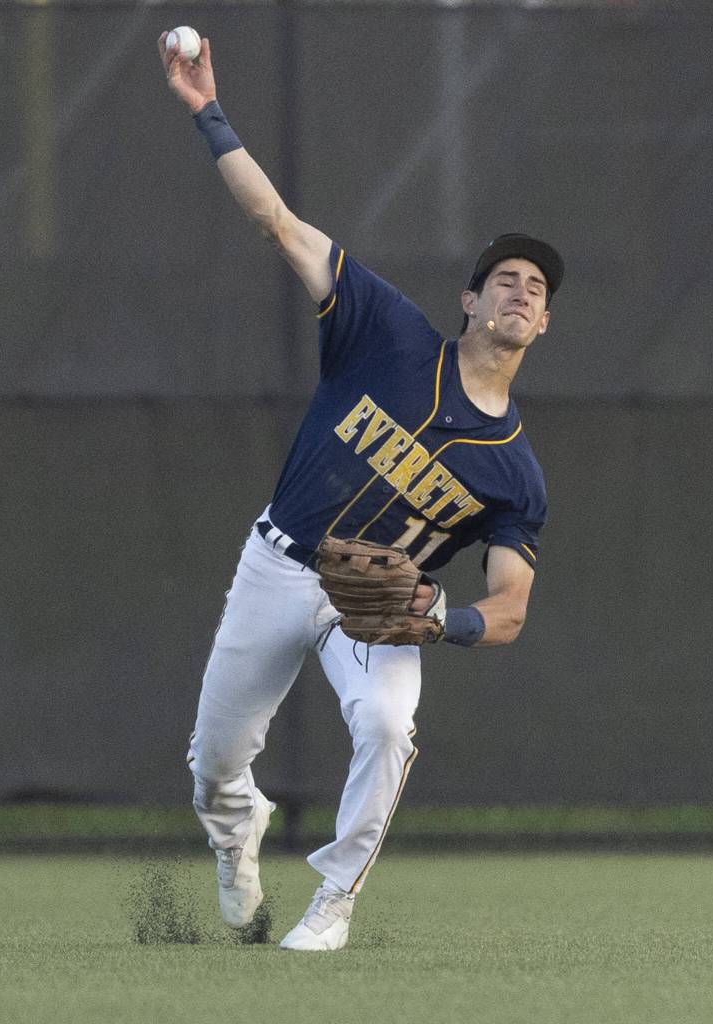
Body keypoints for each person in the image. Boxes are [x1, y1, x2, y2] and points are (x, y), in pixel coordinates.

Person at [159, 33, 564, 952]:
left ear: (543, 323)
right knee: (214, 768)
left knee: (386, 722)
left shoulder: (513, 469)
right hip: (279, 563)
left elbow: (508, 611)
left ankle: (333, 899)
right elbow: (277, 222)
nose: (520, 291)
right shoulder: (383, 330)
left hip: (375, 608)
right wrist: (205, 111)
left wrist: (437, 619)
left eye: (536, 289)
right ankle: (237, 840)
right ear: (469, 301)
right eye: (505, 277)